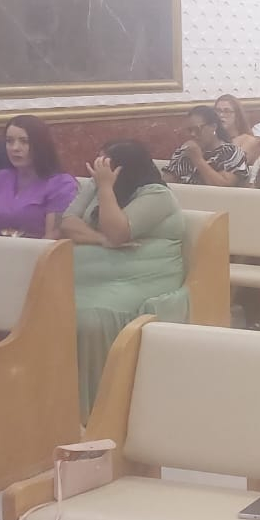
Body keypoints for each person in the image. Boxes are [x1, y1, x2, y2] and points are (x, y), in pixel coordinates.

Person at [59, 141, 188, 420]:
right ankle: (56, 404)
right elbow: (67, 222)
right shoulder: (96, 184)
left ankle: (96, 411)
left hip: (139, 281)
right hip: (92, 278)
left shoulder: (157, 196)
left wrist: (106, 189)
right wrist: (99, 239)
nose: (99, 169)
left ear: (125, 168)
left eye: (106, 163)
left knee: (89, 318)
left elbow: (118, 232)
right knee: (50, 312)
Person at [0, 115, 79, 239]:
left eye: (24, 141)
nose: (15, 148)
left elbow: (53, 236)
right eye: (9, 141)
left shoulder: (61, 184)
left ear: (41, 145)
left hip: (37, 249)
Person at [163, 105, 250, 187]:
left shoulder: (232, 153)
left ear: (213, 127)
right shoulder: (184, 151)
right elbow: (166, 185)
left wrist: (198, 159)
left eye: (197, 129)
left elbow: (224, 188)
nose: (193, 134)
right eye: (190, 130)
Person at [214, 94, 260, 165]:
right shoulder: (213, 139)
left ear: (237, 115)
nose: (221, 115)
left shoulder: (249, 141)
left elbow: (234, 167)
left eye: (227, 111)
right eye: (218, 111)